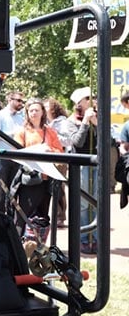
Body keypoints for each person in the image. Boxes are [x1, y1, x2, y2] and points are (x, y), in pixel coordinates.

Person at [12, 98, 64, 238]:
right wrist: (36, 150)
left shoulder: (50, 132)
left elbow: (60, 152)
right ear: (27, 113)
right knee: (23, 215)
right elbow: (17, 153)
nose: (34, 113)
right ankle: (18, 247)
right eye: (31, 110)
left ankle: (38, 249)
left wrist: (49, 150)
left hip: (47, 179)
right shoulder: (22, 132)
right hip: (30, 179)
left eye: (37, 110)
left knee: (42, 216)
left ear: (43, 112)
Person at [64, 86, 98, 254]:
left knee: (98, 202)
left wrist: (98, 126)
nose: (95, 100)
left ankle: (96, 239)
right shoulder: (70, 121)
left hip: (96, 164)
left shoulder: (98, 118)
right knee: (84, 203)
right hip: (82, 166)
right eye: (90, 98)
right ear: (81, 103)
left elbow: (108, 142)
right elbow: (77, 142)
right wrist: (85, 122)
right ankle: (84, 239)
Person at [44, 97, 71, 228]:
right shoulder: (47, 122)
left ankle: (60, 216)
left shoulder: (62, 122)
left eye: (46, 107)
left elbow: (68, 140)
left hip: (59, 158)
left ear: (53, 108)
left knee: (59, 188)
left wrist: (53, 135)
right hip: (47, 158)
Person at [0, 91, 26, 213]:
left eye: (22, 101)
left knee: (14, 191)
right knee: (1, 191)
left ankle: (11, 219)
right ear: (10, 100)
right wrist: (14, 134)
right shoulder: (0, 115)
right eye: (18, 100)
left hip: (18, 158)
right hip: (3, 157)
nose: (21, 104)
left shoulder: (22, 117)